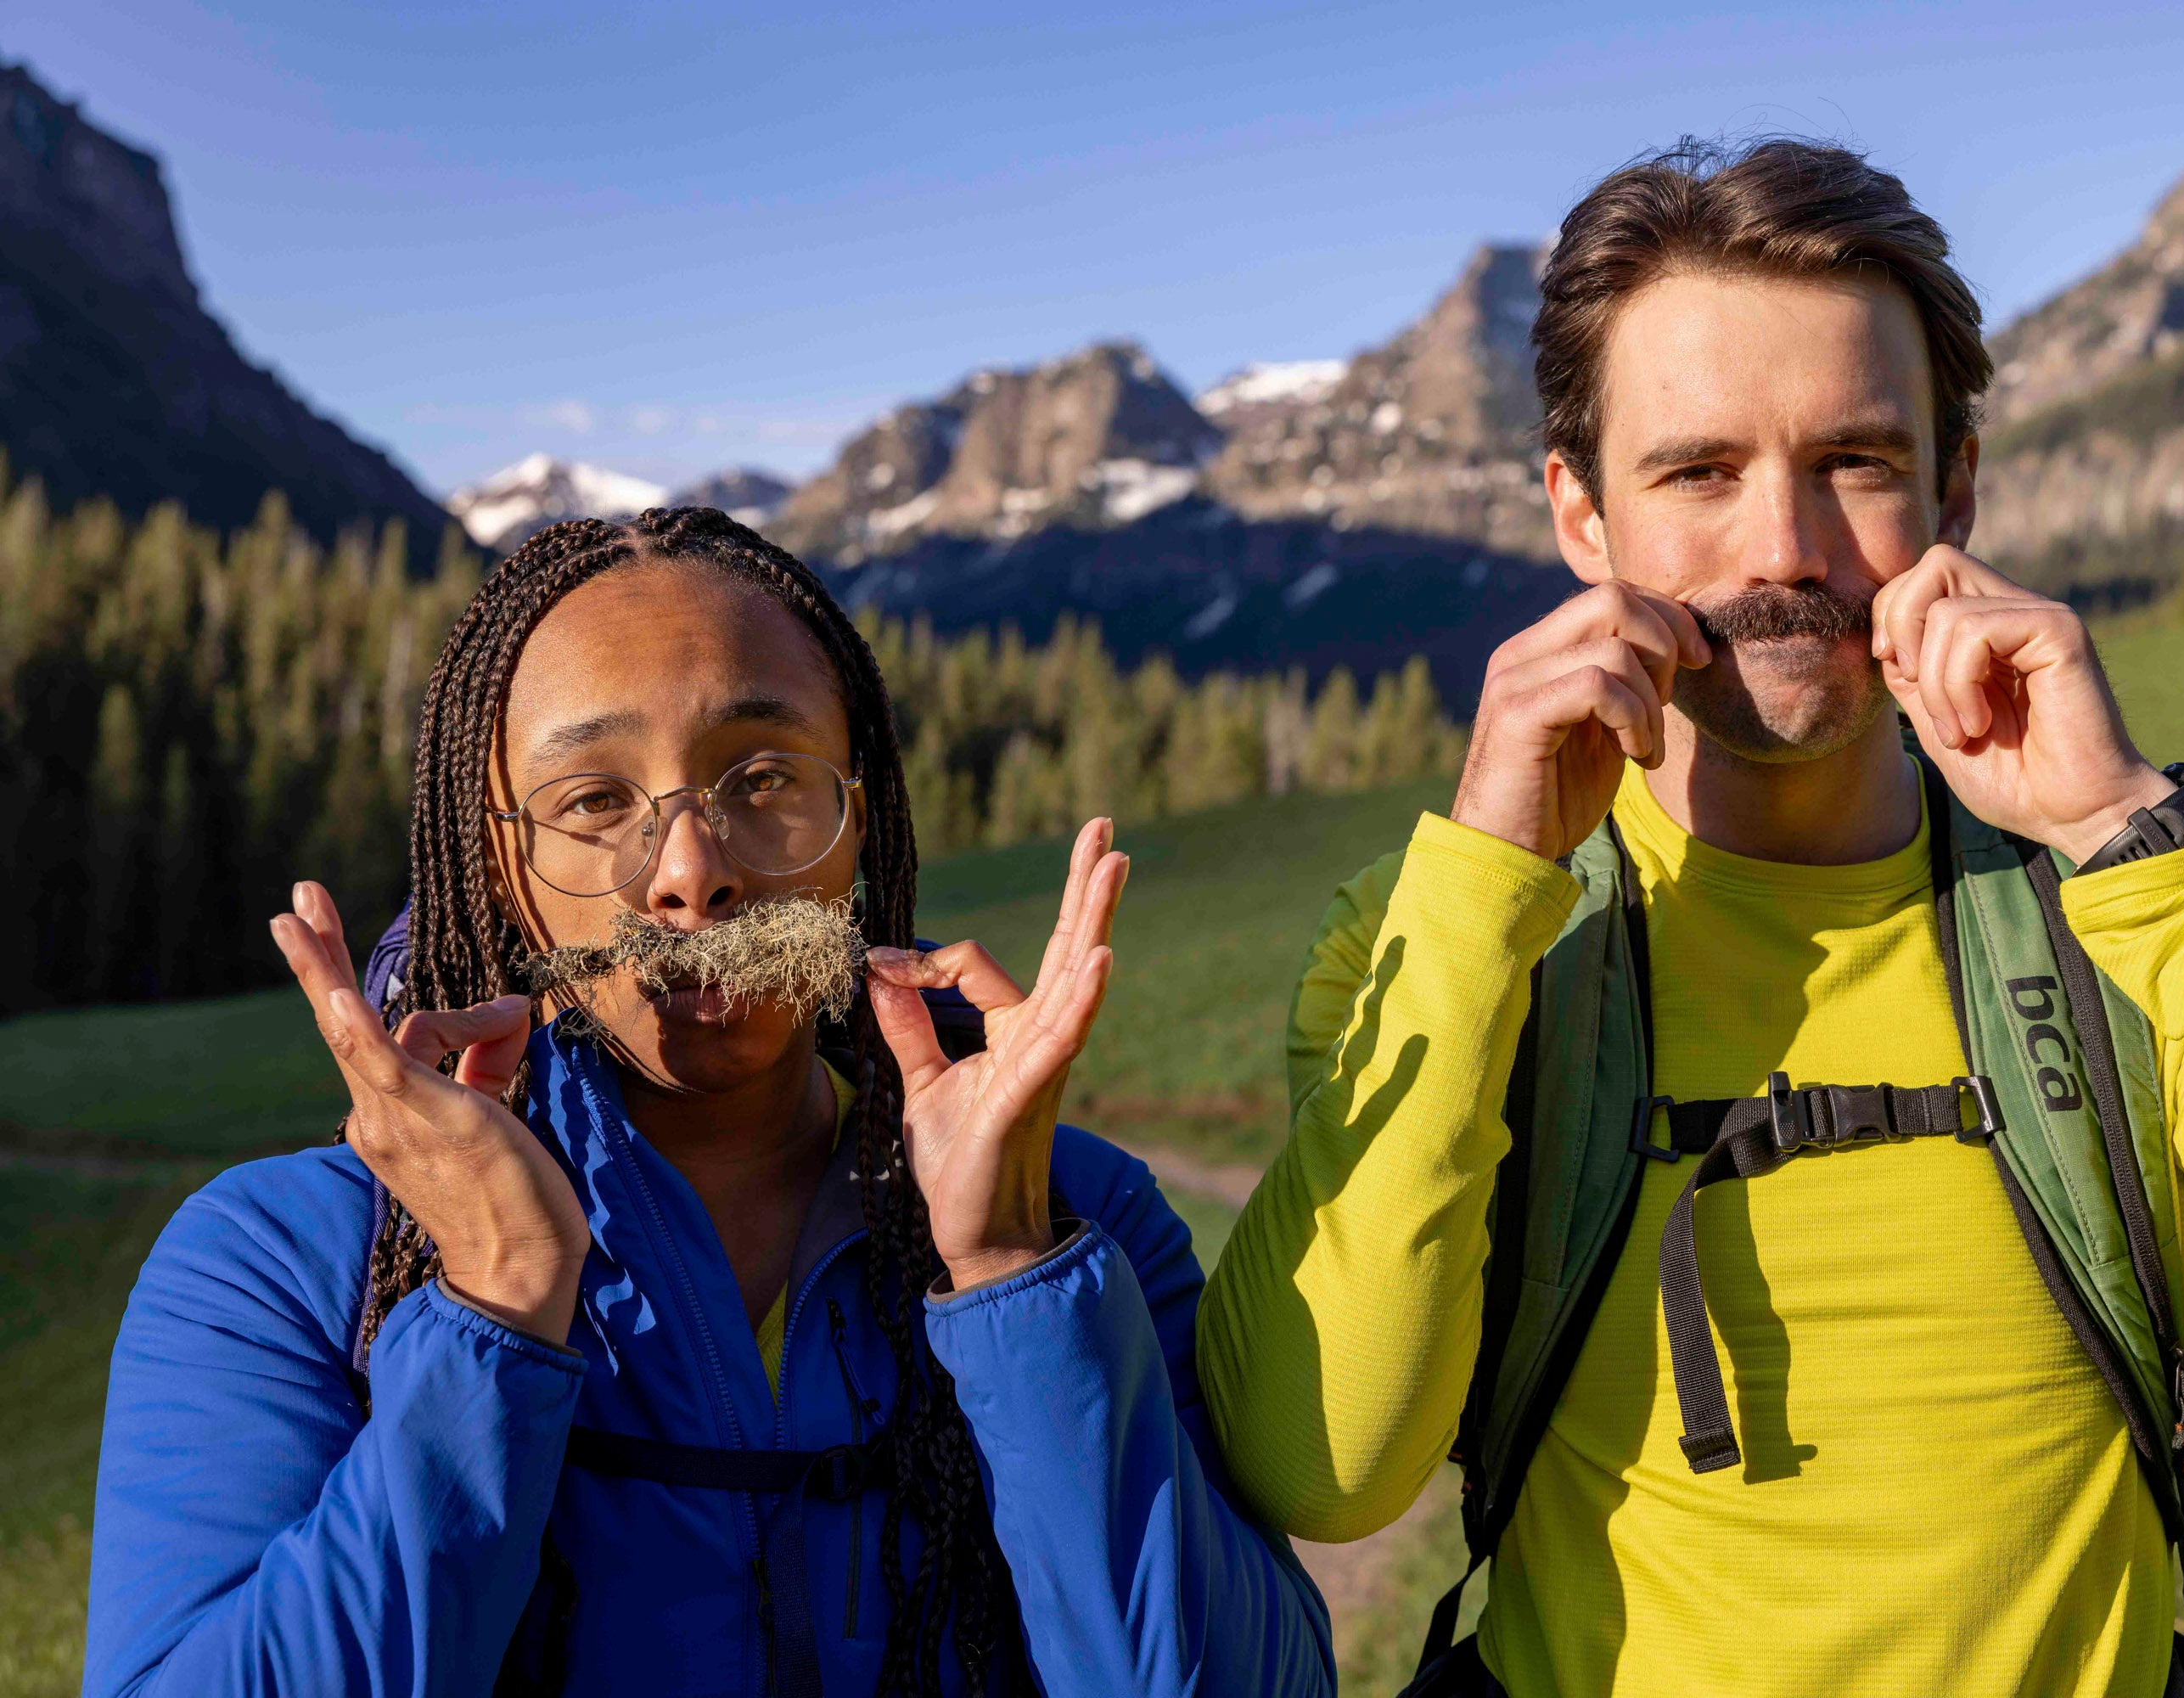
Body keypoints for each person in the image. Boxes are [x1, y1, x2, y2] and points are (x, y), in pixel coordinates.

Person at [1193, 138, 2184, 1698]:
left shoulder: (2125, 908)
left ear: (1953, 487)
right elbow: (1322, 1468)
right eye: (1698, 473)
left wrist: (2124, 830)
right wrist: (1485, 879)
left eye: (1855, 463)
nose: (1784, 550)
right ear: (1581, 518)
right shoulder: (1434, 936)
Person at [84, 508, 1334, 1698]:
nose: (692, 874)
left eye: (766, 776)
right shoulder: (286, 1265)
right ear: (502, 865)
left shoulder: (1084, 1220)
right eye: (594, 802)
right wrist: (497, 1304)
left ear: (864, 818)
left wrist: (1012, 1268)